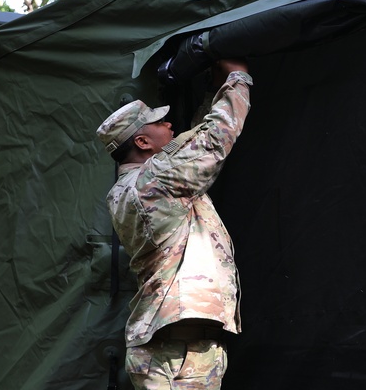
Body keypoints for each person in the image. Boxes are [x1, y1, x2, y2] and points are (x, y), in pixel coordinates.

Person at [95, 59, 252, 390]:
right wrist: (238, 77)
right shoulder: (153, 181)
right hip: (169, 348)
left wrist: (213, 89)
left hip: (190, 343)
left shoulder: (141, 184)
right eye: (159, 123)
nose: (169, 125)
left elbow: (187, 148)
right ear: (141, 143)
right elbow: (212, 141)